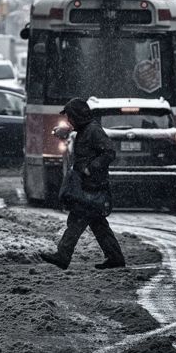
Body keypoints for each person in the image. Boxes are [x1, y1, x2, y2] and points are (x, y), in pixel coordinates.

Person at [40, 98, 126, 270]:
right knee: (98, 224)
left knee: (77, 219)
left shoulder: (93, 130)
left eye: (71, 117)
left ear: (78, 116)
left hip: (92, 186)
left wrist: (90, 168)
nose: (69, 121)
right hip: (88, 185)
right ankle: (115, 258)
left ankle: (63, 256)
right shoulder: (85, 130)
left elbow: (109, 152)